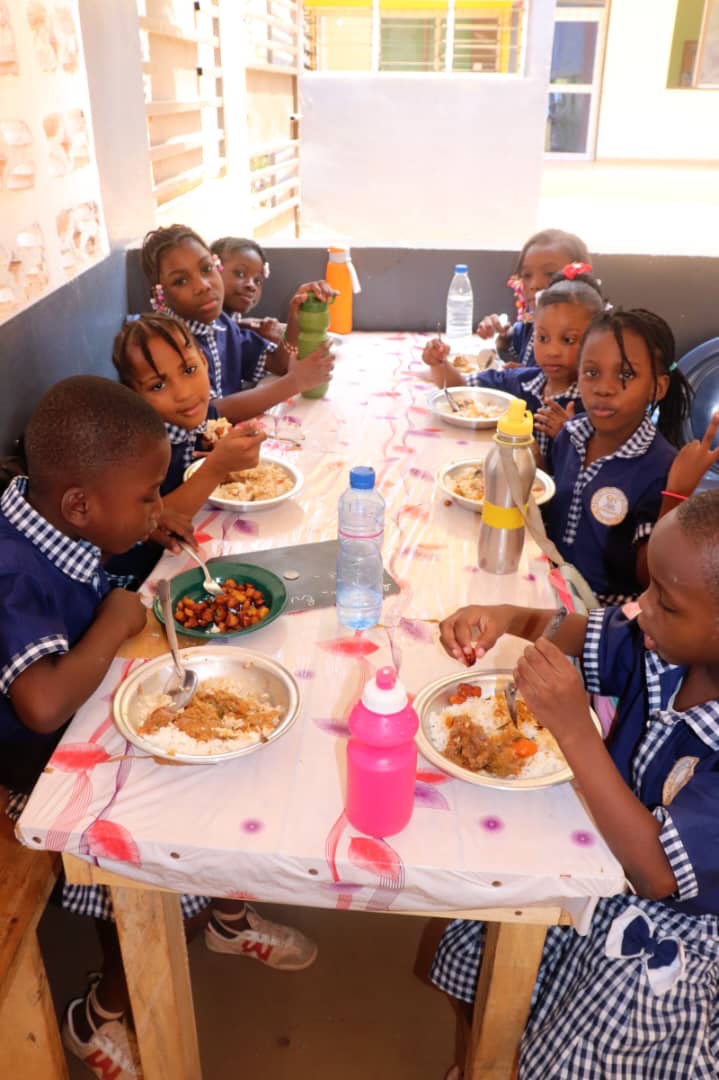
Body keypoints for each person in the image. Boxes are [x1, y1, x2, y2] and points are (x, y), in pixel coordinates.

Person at [433, 489, 719, 1079]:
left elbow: (656, 874)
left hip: (674, 925)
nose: (639, 609)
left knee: (587, 1048)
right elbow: (576, 630)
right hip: (604, 851)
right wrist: (509, 619)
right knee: (483, 924)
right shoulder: (665, 647)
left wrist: (574, 730)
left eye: (663, 602)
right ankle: (492, 1054)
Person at [541, 307, 692, 604]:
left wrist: (676, 494)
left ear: (657, 387)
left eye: (625, 374)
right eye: (592, 372)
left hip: (604, 615)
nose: (604, 388)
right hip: (546, 585)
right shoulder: (570, 435)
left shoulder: (661, 468)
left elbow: (650, 577)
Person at [105, 312, 267, 588]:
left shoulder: (195, 421)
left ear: (203, 361)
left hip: (180, 558)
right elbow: (134, 529)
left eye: (189, 370)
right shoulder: (134, 451)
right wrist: (216, 467)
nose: (183, 393)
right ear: (134, 395)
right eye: (158, 385)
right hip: (135, 582)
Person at [140, 224, 335, 411]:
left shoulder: (222, 325)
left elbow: (278, 363)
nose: (203, 285)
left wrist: (296, 316)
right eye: (180, 281)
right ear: (160, 295)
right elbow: (211, 413)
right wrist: (295, 382)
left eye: (207, 269)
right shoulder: (167, 344)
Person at [422, 264, 604, 461]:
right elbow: (461, 388)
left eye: (568, 340)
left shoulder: (596, 407)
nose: (552, 351)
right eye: (542, 338)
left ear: (598, 341)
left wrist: (568, 437)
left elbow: (594, 478)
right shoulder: (521, 381)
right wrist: (439, 363)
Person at [477, 228, 592, 367]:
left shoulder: (591, 336)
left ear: (579, 278)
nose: (534, 285)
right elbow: (515, 346)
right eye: (526, 275)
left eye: (550, 274)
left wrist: (528, 377)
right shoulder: (531, 324)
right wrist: (503, 337)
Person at [210, 235, 283, 344]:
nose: (251, 285)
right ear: (213, 270)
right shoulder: (208, 326)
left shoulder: (233, 316)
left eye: (257, 280)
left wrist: (244, 325)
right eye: (240, 274)